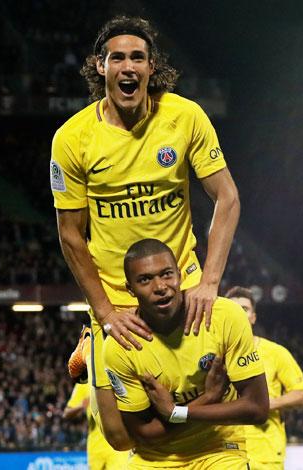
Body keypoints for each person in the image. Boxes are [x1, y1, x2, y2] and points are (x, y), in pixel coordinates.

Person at [51, 15, 240, 449]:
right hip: (117, 300)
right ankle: (90, 336)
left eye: (138, 57)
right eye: (117, 57)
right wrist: (103, 313)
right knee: (119, 438)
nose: (128, 66)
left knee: (208, 396)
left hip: (182, 287)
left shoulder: (185, 116)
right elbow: (71, 235)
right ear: (101, 67)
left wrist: (209, 282)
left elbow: (227, 198)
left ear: (152, 67)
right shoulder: (72, 139)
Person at [103, 238, 269, 469]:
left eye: (167, 274)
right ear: (129, 289)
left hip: (218, 450)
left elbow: (257, 409)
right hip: (154, 459)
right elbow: (145, 433)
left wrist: (176, 412)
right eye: (145, 279)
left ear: (180, 275)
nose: (160, 286)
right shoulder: (120, 345)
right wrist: (208, 399)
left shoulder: (223, 316)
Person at [226, 286, 303, 470]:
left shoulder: (276, 352)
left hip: (266, 452)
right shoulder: (213, 355)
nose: (239, 314)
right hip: (226, 450)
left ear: (253, 317)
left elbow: (302, 394)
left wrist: (267, 403)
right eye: (233, 309)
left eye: (245, 309)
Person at [64, 329, 130, 470]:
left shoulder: (120, 375)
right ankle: (89, 345)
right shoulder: (84, 385)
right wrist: (81, 406)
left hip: (119, 447)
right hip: (96, 448)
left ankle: (89, 345)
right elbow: (66, 413)